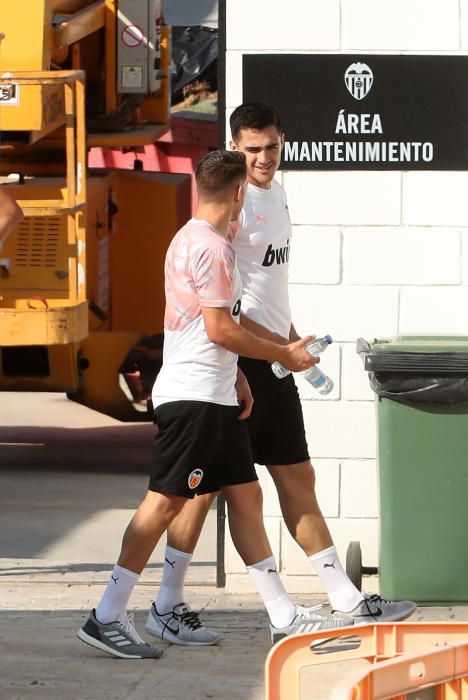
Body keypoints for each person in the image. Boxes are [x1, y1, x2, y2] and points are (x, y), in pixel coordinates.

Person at [154, 103, 416, 644]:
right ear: (234, 147)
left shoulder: (275, 193)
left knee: (297, 476)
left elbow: (266, 288)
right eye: (252, 149)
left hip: (274, 355)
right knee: (202, 490)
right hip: (241, 361)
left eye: (272, 146)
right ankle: (167, 601)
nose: (264, 158)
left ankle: (344, 597)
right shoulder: (235, 204)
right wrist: (278, 349)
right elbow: (223, 307)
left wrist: (290, 339)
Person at [77, 150, 350, 660]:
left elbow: (206, 329)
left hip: (215, 391)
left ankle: (284, 615)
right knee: (163, 503)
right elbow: (220, 328)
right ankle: (107, 614)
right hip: (195, 398)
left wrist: (239, 380)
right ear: (240, 193)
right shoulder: (215, 250)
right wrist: (283, 355)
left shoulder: (188, 237)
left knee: (246, 498)